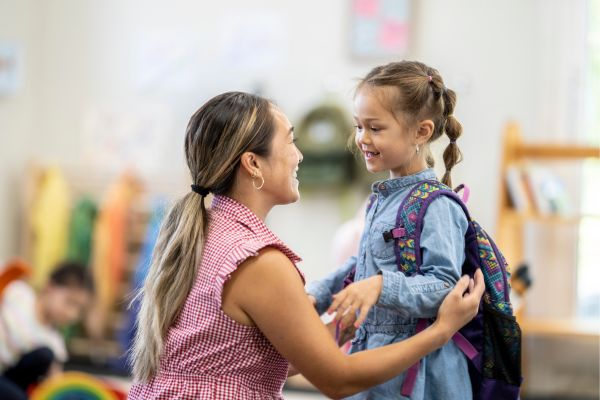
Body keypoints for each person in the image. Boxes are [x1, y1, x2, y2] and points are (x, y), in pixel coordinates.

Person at [128, 91, 484, 400]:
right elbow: (338, 379)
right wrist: (441, 331)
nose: (299, 156)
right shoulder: (258, 261)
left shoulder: (207, 231)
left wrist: (332, 330)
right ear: (253, 164)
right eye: (290, 142)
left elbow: (236, 361)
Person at [307, 60, 473, 399]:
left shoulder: (437, 205)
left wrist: (381, 286)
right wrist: (318, 293)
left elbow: (443, 285)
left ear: (421, 132)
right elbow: (362, 267)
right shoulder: (382, 200)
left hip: (419, 375)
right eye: (358, 126)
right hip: (374, 356)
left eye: (375, 128)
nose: (362, 139)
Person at [0, 261, 93, 400]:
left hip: (8, 377)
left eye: (79, 310)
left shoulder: (54, 342)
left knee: (46, 354)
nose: (72, 314)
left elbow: (56, 382)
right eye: (69, 302)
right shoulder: (19, 294)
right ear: (49, 287)